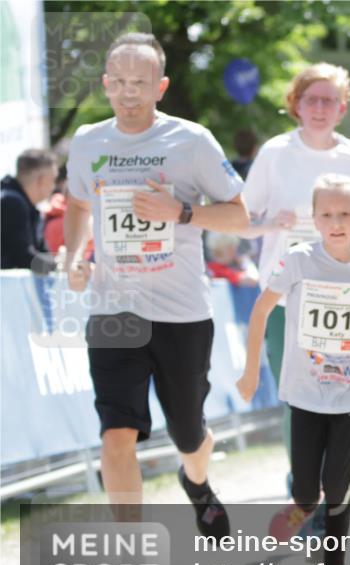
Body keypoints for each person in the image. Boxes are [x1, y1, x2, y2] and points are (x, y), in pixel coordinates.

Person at [63, 33, 248, 535]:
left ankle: (197, 480)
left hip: (182, 312)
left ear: (160, 86)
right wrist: (76, 255)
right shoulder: (88, 142)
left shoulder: (191, 141)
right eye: (118, 82)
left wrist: (181, 212)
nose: (127, 93)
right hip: (114, 310)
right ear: (105, 85)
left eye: (139, 83)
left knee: (189, 433)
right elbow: (79, 204)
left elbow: (241, 214)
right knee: (116, 433)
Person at [237, 62, 350, 498]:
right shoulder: (275, 153)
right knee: (296, 395)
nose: (319, 108)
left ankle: (331, 486)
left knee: (338, 391)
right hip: (287, 292)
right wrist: (267, 227)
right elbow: (240, 216)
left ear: (343, 107)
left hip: (344, 293)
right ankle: (305, 487)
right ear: (296, 105)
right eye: (311, 99)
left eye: (328, 100)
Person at [237, 174, 350, 565]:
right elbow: (260, 311)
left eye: (345, 213)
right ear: (314, 219)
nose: (336, 221)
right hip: (304, 391)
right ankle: (302, 508)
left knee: (339, 483)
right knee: (308, 486)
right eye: (326, 214)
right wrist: (251, 371)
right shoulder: (298, 259)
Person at [2, 148, 59, 272]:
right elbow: (24, 257)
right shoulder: (12, 203)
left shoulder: (17, 202)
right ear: (41, 180)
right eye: (53, 180)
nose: (54, 187)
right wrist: (58, 266)